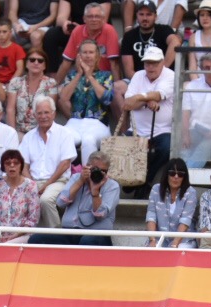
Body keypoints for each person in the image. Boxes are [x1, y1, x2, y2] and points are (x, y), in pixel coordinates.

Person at [19, 95, 75, 226]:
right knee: (17, 198)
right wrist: (32, 184)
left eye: (46, 112)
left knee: (45, 199)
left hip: (58, 181)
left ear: (54, 114)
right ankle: (24, 235)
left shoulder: (65, 133)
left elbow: (65, 164)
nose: (43, 116)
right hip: (33, 181)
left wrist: (46, 185)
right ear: (34, 115)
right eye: (39, 113)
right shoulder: (28, 137)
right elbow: (23, 166)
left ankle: (55, 237)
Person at [122, 44, 174, 183]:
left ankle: (147, 179)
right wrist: (147, 101)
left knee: (166, 148)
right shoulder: (138, 75)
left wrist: (139, 97)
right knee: (123, 145)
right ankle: (130, 181)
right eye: (147, 63)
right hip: (136, 129)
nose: (150, 67)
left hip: (162, 129)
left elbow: (158, 95)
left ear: (162, 63)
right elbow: (127, 103)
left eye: (155, 63)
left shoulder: (170, 75)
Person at [59, 38, 113, 164]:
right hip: (75, 122)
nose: (88, 56)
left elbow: (106, 99)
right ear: (79, 56)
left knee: (88, 139)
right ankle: (63, 176)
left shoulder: (106, 75)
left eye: (91, 52)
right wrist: (79, 74)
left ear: (97, 56)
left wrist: (89, 76)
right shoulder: (72, 76)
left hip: (98, 124)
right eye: (84, 52)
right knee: (63, 137)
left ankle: (88, 177)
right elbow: (64, 98)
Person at [53, 148, 118, 242]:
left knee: (86, 241)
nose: (100, 173)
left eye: (104, 171)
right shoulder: (76, 178)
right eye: (96, 169)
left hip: (97, 234)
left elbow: (100, 215)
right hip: (70, 232)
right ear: (87, 167)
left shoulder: (112, 186)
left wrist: (95, 192)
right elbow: (60, 202)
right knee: (37, 239)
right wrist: (80, 181)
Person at [0, 146, 39, 240]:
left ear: (21, 166)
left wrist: (14, 236)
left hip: (22, 234)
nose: (12, 166)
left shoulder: (31, 186)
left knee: (7, 247)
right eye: (8, 163)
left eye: (16, 163)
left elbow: (32, 219)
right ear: (3, 167)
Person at [145, 156, 196, 247]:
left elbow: (185, 221)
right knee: (150, 250)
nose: (176, 177)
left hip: (183, 240)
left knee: (180, 250)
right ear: (166, 175)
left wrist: (175, 243)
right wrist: (152, 240)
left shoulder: (190, 192)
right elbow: (151, 216)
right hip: (159, 238)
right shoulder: (156, 189)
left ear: (184, 177)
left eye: (180, 174)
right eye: (172, 173)